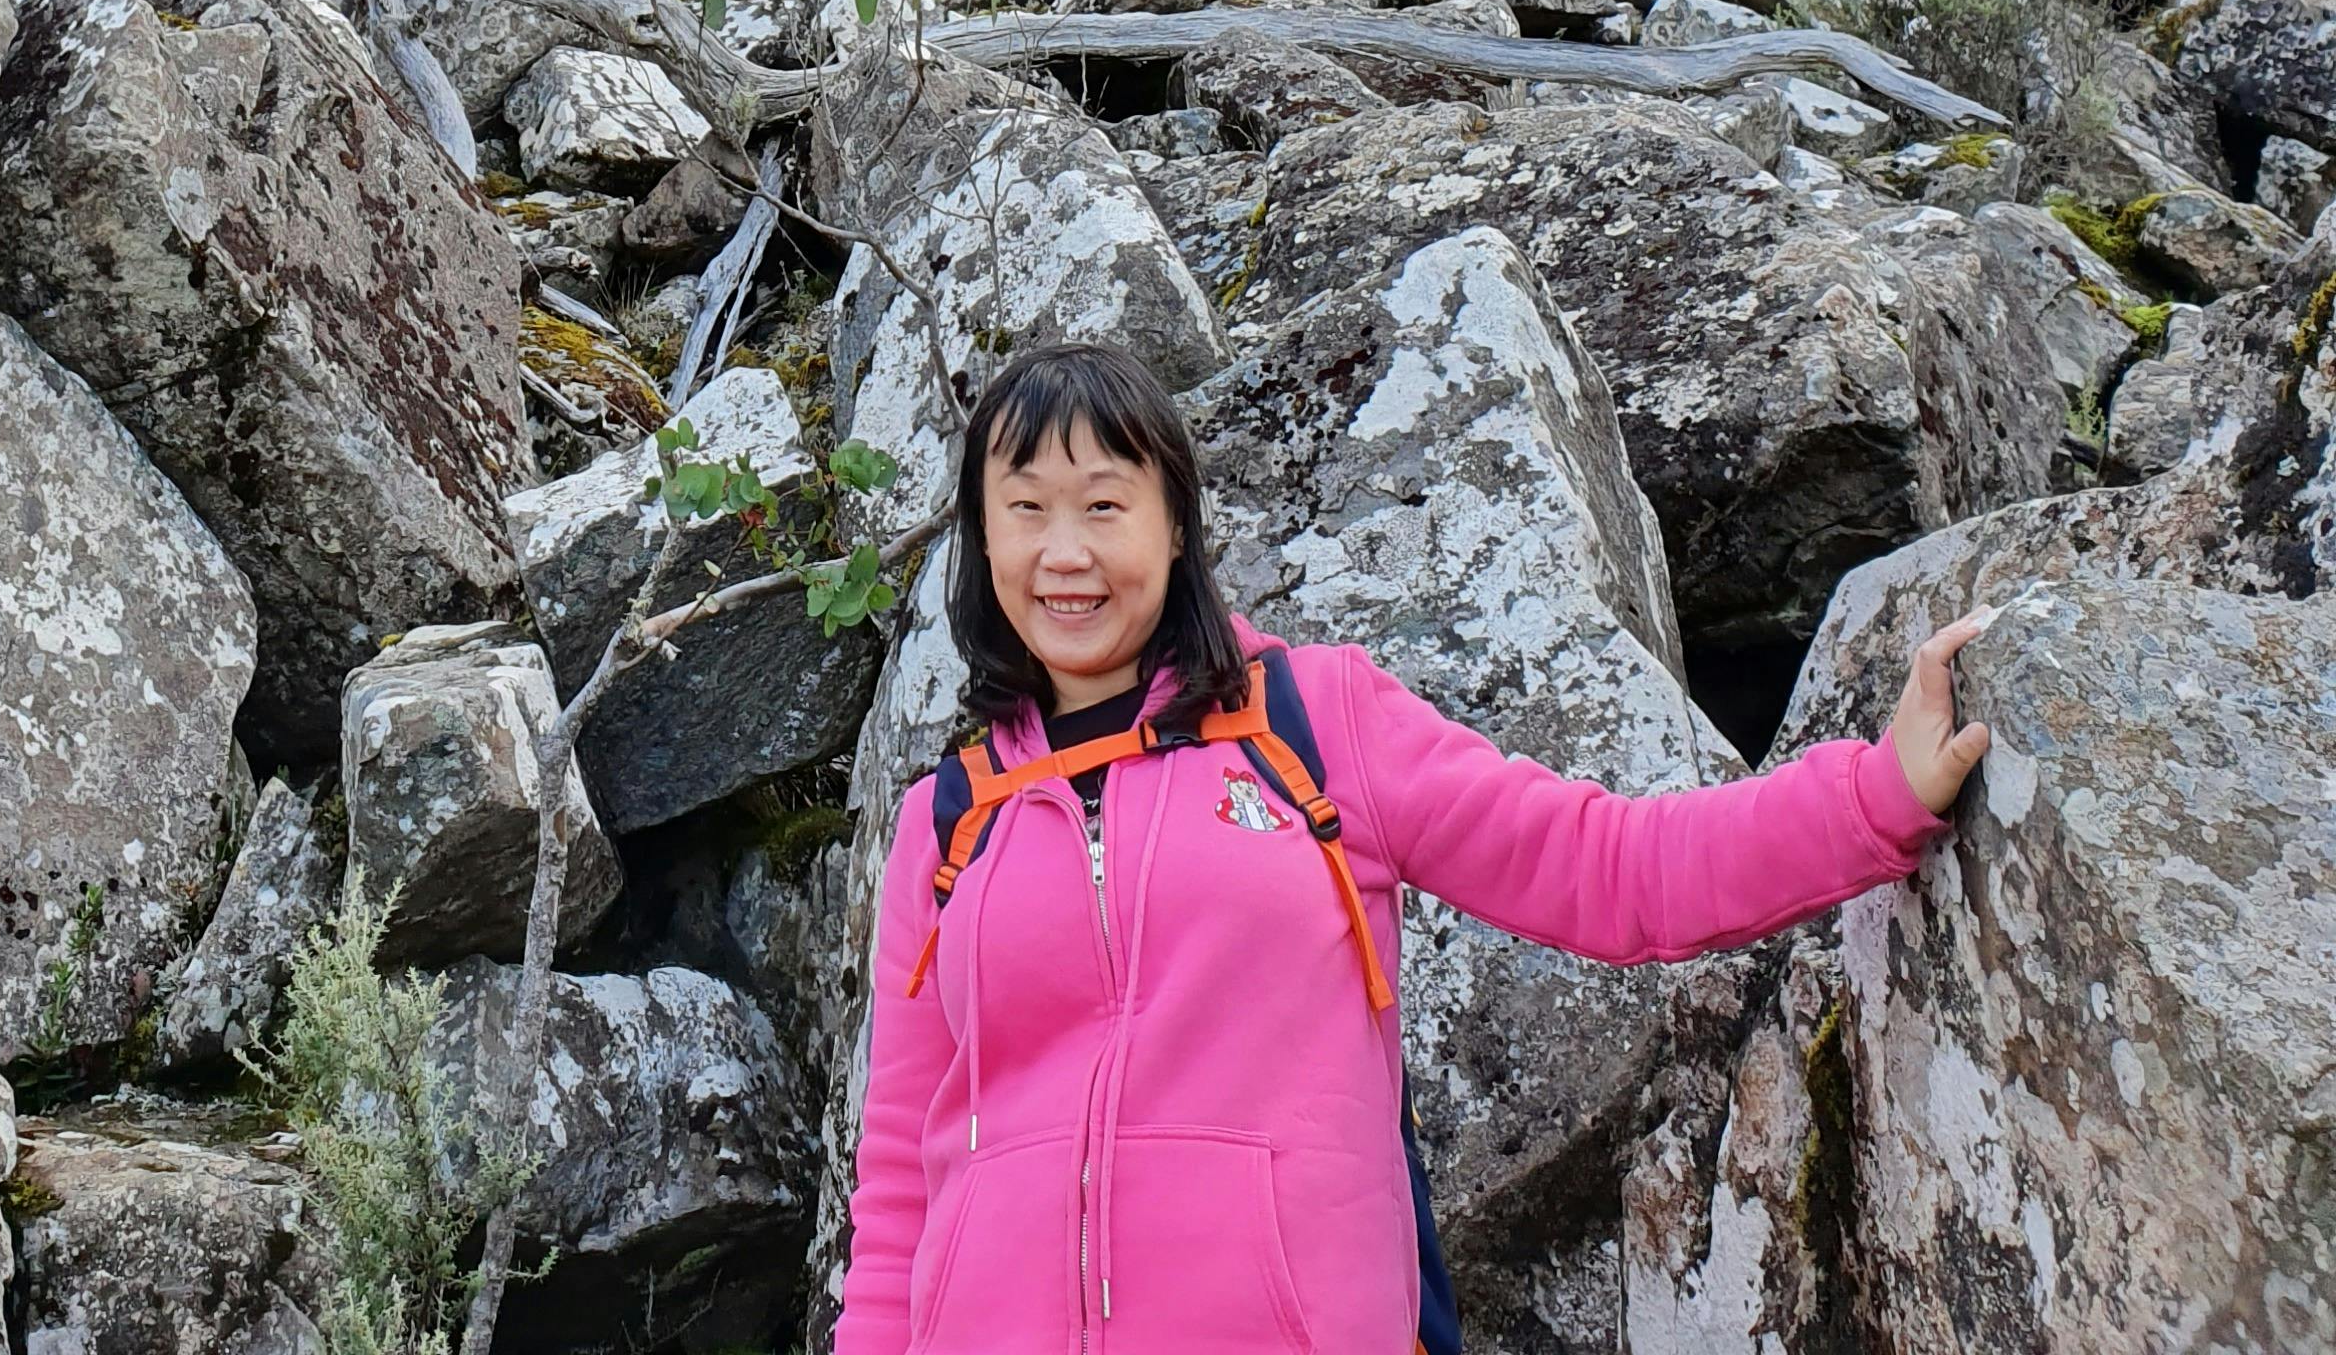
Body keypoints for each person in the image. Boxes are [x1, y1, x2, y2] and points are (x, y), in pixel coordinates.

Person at [837, 337, 1992, 1355]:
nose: (1065, 552)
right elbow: (896, 1192)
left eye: (1103, 504)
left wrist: (1876, 794)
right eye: (1025, 508)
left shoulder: (1314, 726)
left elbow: (1609, 869)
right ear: (982, 539)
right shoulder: (948, 821)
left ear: (1175, 521)